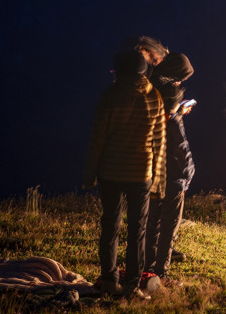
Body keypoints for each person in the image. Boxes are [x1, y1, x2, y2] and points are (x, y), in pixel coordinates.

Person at [83, 49, 167, 300]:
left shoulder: (111, 95)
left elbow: (97, 138)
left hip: (111, 171)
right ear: (144, 69)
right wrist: (159, 182)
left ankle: (109, 280)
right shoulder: (154, 96)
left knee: (110, 226)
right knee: (137, 230)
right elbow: (159, 143)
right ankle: (132, 286)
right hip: (141, 172)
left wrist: (90, 173)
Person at [144, 51, 196, 279]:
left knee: (152, 222)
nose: (181, 82)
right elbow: (180, 144)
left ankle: (145, 269)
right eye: (182, 78)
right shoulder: (169, 96)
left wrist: (177, 113)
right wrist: (188, 174)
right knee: (168, 227)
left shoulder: (149, 90)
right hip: (172, 173)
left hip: (152, 169)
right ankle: (161, 274)